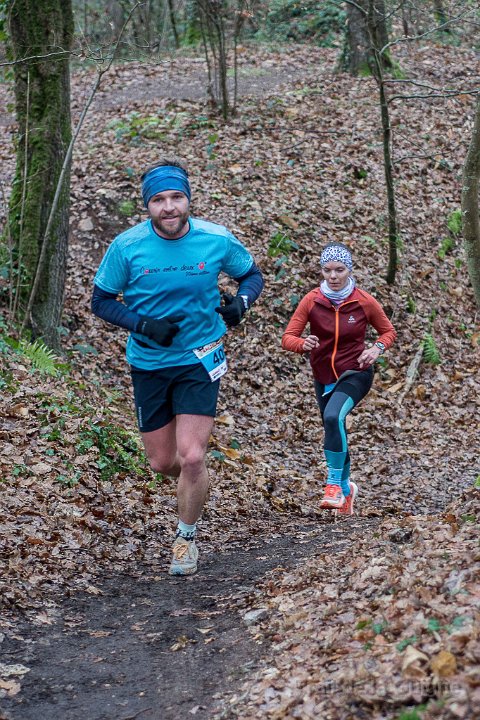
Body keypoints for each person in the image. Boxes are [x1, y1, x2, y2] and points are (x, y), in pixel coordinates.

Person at [91, 157, 263, 575]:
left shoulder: (215, 239)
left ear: (188, 199)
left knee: (191, 456)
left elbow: (251, 276)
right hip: (149, 362)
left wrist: (240, 304)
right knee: (162, 463)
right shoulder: (127, 247)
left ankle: (185, 538)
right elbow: (100, 301)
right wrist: (143, 324)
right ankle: (195, 485)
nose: (168, 207)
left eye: (176, 197)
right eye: (159, 200)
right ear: (147, 205)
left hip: (200, 358)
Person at [281, 242, 396, 515]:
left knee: (333, 417)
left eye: (339, 270)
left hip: (356, 373)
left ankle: (333, 485)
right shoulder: (312, 300)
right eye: (327, 270)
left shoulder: (363, 301)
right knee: (334, 427)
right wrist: (303, 344)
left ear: (349, 270)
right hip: (323, 376)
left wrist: (376, 349)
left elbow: (388, 332)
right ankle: (346, 489)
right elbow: (288, 338)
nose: (333, 276)